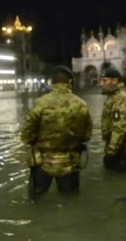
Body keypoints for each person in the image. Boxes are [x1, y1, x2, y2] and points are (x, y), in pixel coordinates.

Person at [20, 65, 93, 197]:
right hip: (70, 162)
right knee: (70, 201)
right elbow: (87, 135)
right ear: (70, 82)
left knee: (37, 201)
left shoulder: (40, 103)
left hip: (42, 162)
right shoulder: (81, 104)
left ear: (51, 82)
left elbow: (26, 134)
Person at [100, 68, 126, 172]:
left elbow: (119, 128)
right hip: (116, 147)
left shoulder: (120, 99)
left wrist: (110, 152)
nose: (100, 84)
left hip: (120, 150)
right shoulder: (113, 97)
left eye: (104, 80)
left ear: (115, 81)